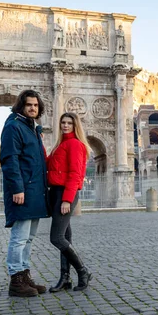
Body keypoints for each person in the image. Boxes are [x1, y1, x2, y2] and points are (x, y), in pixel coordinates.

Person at [0, 90, 49, 297]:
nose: (32, 108)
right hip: (24, 190)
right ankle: (15, 279)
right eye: (29, 105)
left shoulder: (33, 129)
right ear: (21, 106)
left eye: (36, 106)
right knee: (19, 238)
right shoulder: (13, 127)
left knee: (28, 238)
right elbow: (10, 160)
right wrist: (17, 188)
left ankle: (25, 274)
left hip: (36, 190)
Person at [47, 112, 93, 292]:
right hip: (56, 193)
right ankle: (65, 278)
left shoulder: (74, 144)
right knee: (65, 237)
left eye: (69, 123)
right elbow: (48, 165)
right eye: (63, 123)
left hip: (65, 194)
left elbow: (75, 174)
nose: (65, 126)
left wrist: (66, 200)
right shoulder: (60, 145)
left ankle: (83, 271)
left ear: (75, 126)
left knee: (56, 238)